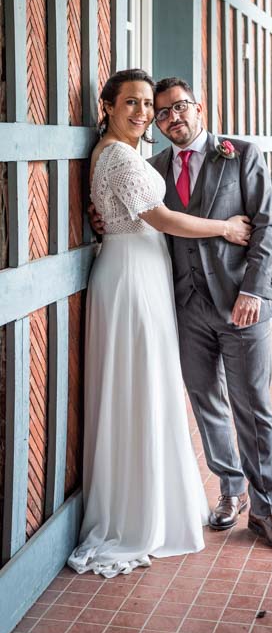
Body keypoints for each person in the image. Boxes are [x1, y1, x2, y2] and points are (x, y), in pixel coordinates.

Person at [68, 69, 251, 578]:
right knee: (139, 387)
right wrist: (226, 228)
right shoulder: (120, 155)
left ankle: (153, 500)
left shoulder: (123, 154)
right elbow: (163, 217)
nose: (144, 113)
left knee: (146, 386)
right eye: (131, 103)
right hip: (130, 276)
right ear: (106, 106)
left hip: (142, 272)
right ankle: (136, 516)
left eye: (149, 104)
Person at [148, 77, 272, 554]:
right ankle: (230, 490)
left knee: (252, 406)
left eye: (180, 107)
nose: (173, 118)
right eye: (162, 113)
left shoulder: (240, 154)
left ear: (200, 108)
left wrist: (254, 289)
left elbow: (268, 225)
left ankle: (266, 508)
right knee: (205, 401)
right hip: (187, 306)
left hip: (241, 304)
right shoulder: (152, 169)